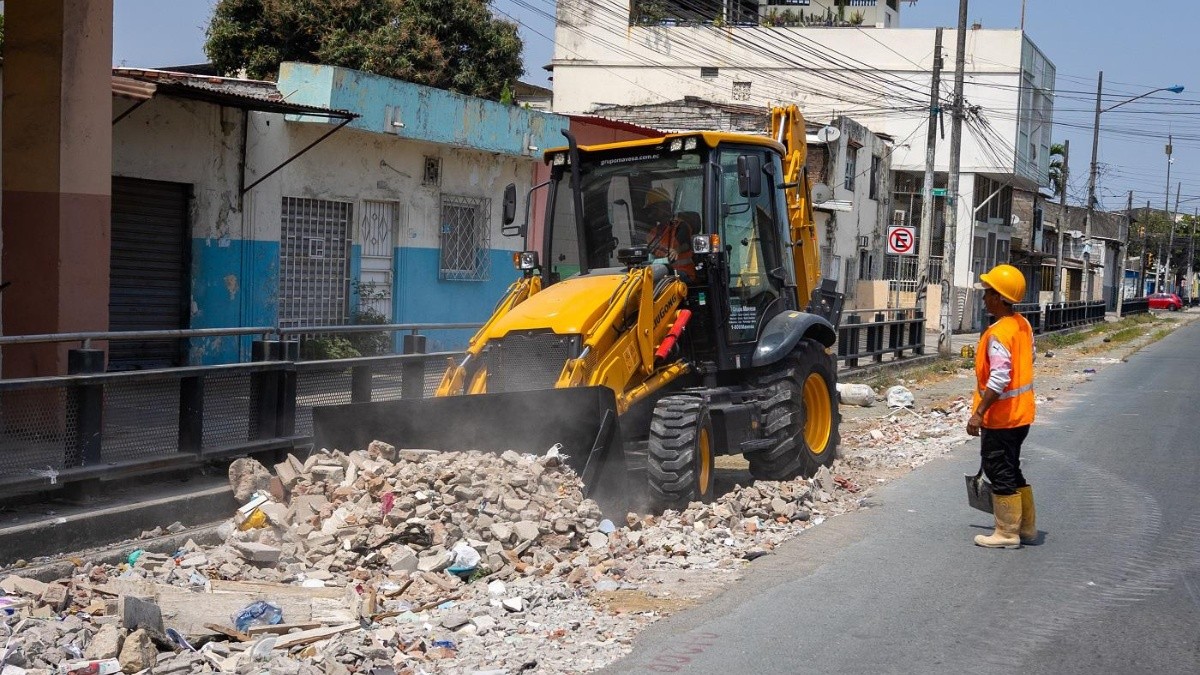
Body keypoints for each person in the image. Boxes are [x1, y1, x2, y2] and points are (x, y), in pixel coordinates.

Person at [968, 263, 1037, 548]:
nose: (985, 298)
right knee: (1013, 467)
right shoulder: (1022, 325)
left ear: (999, 297)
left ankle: (1007, 533)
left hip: (1002, 417)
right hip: (1022, 414)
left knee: (999, 469)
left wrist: (979, 413)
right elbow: (1029, 360)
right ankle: (1027, 527)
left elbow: (999, 377)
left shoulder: (998, 333)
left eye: (988, 293)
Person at [642, 188, 696, 280]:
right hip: (660, 272)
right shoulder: (653, 232)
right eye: (650, 210)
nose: (651, 213)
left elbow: (686, 245)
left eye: (653, 209)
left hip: (682, 273)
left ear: (664, 207)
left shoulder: (680, 226)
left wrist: (676, 250)